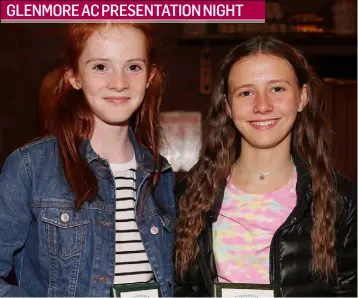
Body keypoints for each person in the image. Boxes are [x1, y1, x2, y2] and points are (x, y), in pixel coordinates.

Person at [0, 23, 176, 297]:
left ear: (150, 76)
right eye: (100, 67)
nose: (119, 83)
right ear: (74, 75)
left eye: (133, 67)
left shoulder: (159, 172)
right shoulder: (30, 167)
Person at [174, 36, 357, 297]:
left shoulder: (343, 199)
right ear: (227, 106)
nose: (262, 106)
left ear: (302, 97)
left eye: (277, 89)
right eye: (246, 92)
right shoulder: (190, 196)